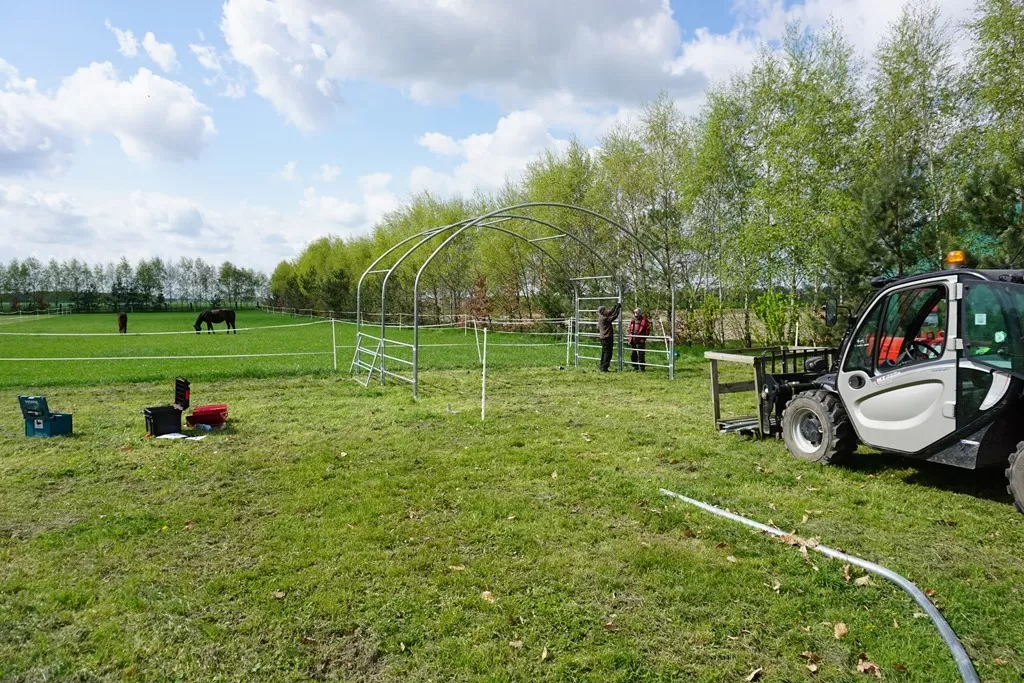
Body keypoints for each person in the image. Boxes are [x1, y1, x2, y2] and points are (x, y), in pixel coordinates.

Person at [596, 302, 621, 372]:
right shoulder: (604, 318)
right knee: (608, 353)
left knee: (604, 352)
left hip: (604, 338)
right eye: (605, 309)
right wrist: (618, 309)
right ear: (603, 311)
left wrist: (615, 307)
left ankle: (602, 366)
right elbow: (614, 316)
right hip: (607, 337)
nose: (606, 310)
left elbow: (610, 312)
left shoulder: (601, 317)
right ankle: (604, 368)